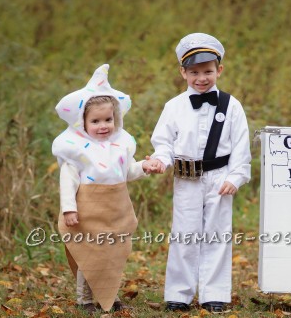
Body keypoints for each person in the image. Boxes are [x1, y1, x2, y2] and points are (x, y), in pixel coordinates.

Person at [149, 33, 251, 312]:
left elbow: (241, 146)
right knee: (184, 234)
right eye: (194, 72)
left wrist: (235, 177)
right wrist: (160, 161)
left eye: (208, 71)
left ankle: (214, 294)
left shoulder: (232, 106)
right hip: (186, 179)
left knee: (217, 234)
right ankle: (178, 294)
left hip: (220, 178)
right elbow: (164, 143)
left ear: (219, 70)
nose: (201, 78)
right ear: (183, 72)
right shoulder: (174, 107)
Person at [52, 64, 158, 314]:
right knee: (89, 254)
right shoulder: (77, 152)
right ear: (82, 123)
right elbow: (68, 182)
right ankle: (85, 299)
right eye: (96, 121)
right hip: (87, 211)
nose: (103, 126)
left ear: (116, 119)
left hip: (115, 210)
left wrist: (145, 166)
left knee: (112, 255)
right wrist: (69, 209)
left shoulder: (119, 148)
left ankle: (109, 295)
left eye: (108, 120)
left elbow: (128, 172)